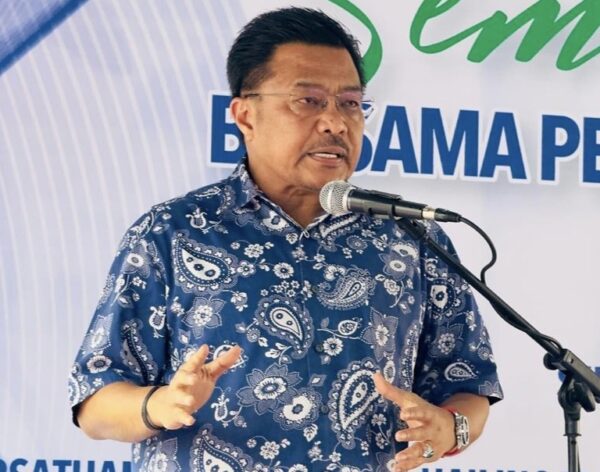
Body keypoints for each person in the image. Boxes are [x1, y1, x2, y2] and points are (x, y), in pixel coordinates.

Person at [69, 7, 503, 472]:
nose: (335, 123)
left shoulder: (411, 239)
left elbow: (468, 384)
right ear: (245, 115)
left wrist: (450, 428)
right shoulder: (173, 232)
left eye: (350, 103)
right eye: (309, 101)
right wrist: (159, 405)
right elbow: (95, 402)